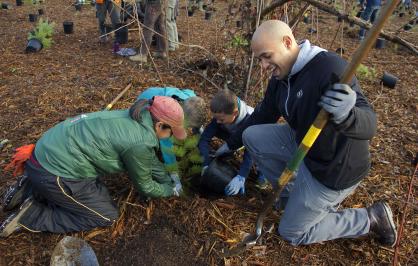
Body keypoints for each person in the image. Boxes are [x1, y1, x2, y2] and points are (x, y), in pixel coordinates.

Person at [220, 20, 397, 246]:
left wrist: (348, 115)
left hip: (332, 168)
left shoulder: (330, 69)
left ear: (287, 42)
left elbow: (370, 124)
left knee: (292, 232)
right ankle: (290, 196)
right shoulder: (281, 77)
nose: (263, 66)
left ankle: (370, 218)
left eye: (266, 56)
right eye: (260, 60)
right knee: (252, 136)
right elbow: (263, 114)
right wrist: (230, 144)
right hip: (304, 144)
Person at [0, 96, 187, 237]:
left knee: (96, 192)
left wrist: (167, 178)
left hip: (45, 151)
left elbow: (149, 161)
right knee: (104, 216)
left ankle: (28, 188)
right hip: (56, 173)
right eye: (171, 132)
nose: (171, 136)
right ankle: (32, 215)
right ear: (160, 125)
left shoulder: (136, 116)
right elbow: (145, 185)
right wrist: (169, 191)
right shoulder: (140, 141)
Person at [198, 89, 267, 196]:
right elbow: (204, 139)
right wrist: (206, 162)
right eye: (216, 118)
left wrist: (242, 176)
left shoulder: (251, 119)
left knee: (260, 154)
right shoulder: (222, 113)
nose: (217, 122)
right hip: (232, 133)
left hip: (257, 140)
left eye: (221, 119)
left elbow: (249, 153)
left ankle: (263, 173)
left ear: (235, 113)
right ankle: (228, 153)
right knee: (224, 139)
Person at [137, 86, 206, 178]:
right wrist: (174, 176)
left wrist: (201, 132)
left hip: (158, 94)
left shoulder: (190, 99)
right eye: (188, 126)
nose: (189, 129)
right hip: (142, 106)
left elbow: (189, 91)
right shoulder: (167, 118)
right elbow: (167, 149)